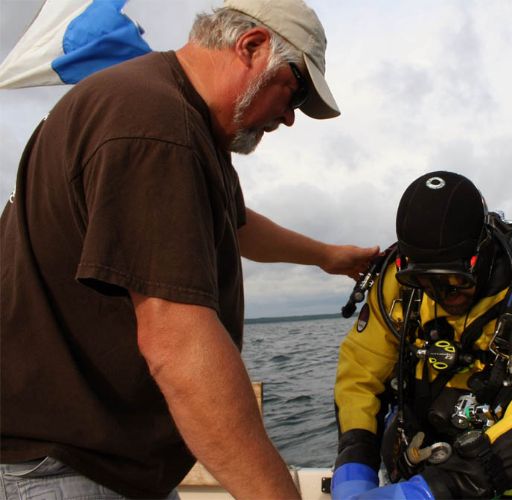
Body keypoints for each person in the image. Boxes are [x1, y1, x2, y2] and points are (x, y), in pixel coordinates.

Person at [0, 0, 377, 499]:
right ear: (251, 46)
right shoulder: (157, 126)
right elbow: (177, 345)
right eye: (296, 91)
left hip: (107, 456)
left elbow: (236, 225)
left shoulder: (169, 111)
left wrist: (328, 256)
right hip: (71, 464)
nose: (288, 118)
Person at [332, 171, 512, 499]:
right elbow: (360, 373)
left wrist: (439, 489)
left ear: (484, 252)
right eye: (424, 281)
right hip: (419, 465)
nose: (441, 294)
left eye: (456, 280)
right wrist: (354, 460)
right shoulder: (397, 283)